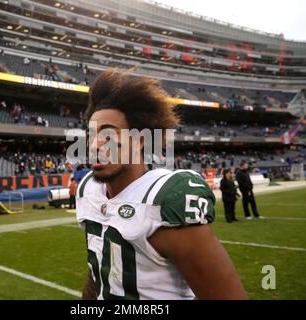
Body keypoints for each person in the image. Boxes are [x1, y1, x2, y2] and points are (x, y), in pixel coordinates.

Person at [76, 69, 246, 300]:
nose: (95, 145)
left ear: (140, 141)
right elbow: (99, 271)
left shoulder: (165, 200)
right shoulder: (88, 189)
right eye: (91, 134)